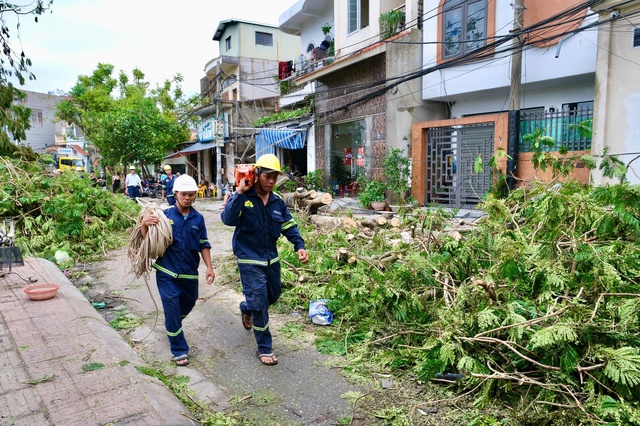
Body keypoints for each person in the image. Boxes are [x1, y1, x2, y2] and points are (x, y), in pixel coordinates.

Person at [221, 154, 309, 366]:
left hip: (271, 259)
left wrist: (300, 246)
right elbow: (227, 219)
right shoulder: (244, 197)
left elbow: (288, 225)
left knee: (273, 295)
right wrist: (239, 193)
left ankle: (247, 308)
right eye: (267, 176)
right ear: (257, 174)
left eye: (274, 177)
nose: (271, 181)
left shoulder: (277, 202)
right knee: (260, 302)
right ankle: (265, 347)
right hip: (249, 259)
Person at [140, 174, 215, 366]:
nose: (188, 198)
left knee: (188, 304)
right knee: (172, 307)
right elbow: (148, 241)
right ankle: (179, 349)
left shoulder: (198, 219)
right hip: (167, 272)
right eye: (184, 194)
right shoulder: (164, 216)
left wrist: (209, 267)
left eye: (191, 194)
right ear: (175, 194)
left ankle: (173, 323)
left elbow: (203, 244)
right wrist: (144, 226)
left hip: (189, 273)